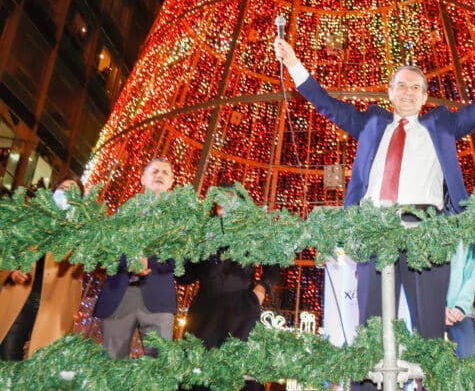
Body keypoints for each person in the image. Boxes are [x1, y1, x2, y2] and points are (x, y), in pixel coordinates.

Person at [274, 29, 475, 387]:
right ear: (390, 92)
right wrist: (294, 64)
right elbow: (327, 104)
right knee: (370, 331)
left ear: (425, 96)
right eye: (401, 86)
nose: (408, 92)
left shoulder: (441, 124)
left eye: (416, 87)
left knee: (429, 334)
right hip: (376, 230)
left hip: (425, 233)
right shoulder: (371, 123)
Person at [178, 185, 280, 391]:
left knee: (240, 372)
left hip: (241, 312)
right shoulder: (202, 234)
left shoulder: (252, 233)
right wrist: (181, 251)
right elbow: (186, 277)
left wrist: (261, 289)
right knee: (197, 373)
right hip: (204, 313)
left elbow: (274, 264)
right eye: (220, 200)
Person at [92, 158, 177, 358]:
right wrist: (130, 261)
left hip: (158, 298)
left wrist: (149, 260)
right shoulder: (122, 214)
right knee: (112, 364)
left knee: (158, 366)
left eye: (165, 172)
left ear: (171, 182)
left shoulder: (179, 219)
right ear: (142, 179)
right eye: (154, 171)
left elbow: (181, 257)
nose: (160, 175)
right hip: (120, 294)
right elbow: (105, 251)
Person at [0, 174, 84, 359]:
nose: (66, 195)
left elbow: (78, 265)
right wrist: (12, 272)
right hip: (21, 294)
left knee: (38, 360)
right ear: (53, 192)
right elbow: (8, 252)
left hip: (53, 304)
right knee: (7, 353)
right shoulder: (31, 219)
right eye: (63, 189)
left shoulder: (80, 231)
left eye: (73, 192)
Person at [445, 241, 475, 359]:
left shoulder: (467, 237)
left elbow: (471, 272)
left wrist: (461, 306)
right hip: (430, 307)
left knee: (469, 363)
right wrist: (436, 305)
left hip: (461, 312)